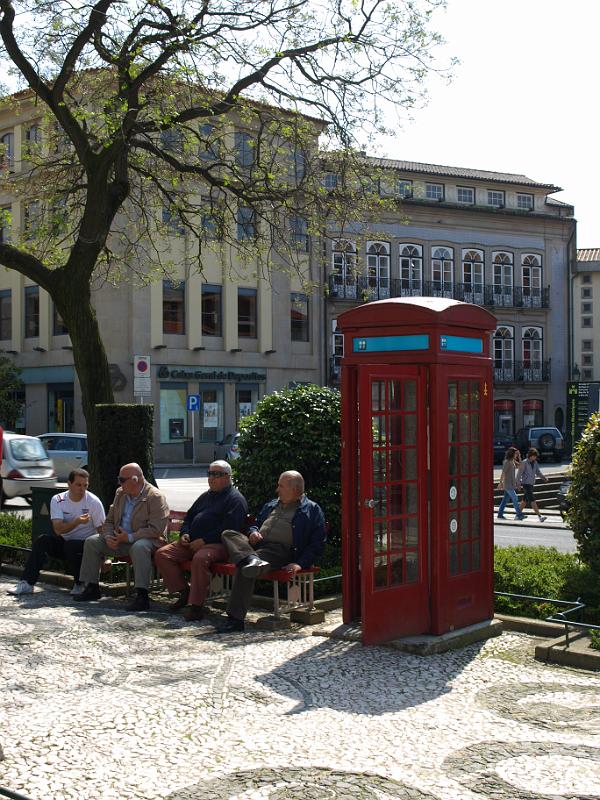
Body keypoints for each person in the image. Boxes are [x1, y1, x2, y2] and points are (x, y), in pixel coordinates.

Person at [214, 470, 326, 634]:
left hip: (279, 551)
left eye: (280, 486)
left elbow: (318, 543)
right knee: (228, 533)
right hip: (257, 547)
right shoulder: (272, 504)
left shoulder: (311, 510)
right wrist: (253, 532)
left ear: (294, 489)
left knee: (244, 568)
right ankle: (253, 559)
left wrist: (299, 563)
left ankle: (235, 620)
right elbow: (255, 524)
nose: (277, 489)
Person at [154, 460, 248, 621]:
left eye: (216, 474)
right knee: (162, 554)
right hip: (193, 542)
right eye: (209, 474)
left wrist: (204, 540)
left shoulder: (235, 499)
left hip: (219, 544)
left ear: (227, 477)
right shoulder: (206, 496)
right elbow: (190, 517)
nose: (211, 478)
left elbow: (230, 529)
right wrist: (185, 533)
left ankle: (196, 607)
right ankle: (184, 593)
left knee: (200, 559)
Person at [75, 462, 169, 611]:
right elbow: (109, 521)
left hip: (147, 541)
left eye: (122, 479)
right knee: (92, 542)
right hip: (120, 539)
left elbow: (156, 529)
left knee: (140, 547)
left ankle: (142, 596)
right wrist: (108, 537)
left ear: (135, 480)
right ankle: (91, 588)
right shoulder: (121, 493)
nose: (119, 483)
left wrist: (130, 537)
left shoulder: (155, 497)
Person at [8, 468, 105, 597]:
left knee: (71, 545)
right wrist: (76, 522)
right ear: (69, 484)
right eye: (78, 485)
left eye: (85, 485)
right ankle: (27, 583)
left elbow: (102, 532)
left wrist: (104, 558)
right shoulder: (58, 499)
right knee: (42, 541)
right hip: (64, 542)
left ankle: (80, 583)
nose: (82, 489)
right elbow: (58, 530)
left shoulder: (94, 502)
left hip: (85, 546)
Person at [517, 447, 548, 522]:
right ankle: (540, 516)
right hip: (525, 484)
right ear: (530, 455)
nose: (535, 457)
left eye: (536, 456)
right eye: (534, 456)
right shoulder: (524, 462)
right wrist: (518, 484)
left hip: (531, 483)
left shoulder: (535, 463)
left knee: (524, 500)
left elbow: (538, 472)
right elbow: (519, 474)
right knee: (532, 499)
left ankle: (518, 515)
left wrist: (544, 478)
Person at [497, 447, 526, 521]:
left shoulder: (512, 461)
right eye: (516, 454)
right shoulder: (507, 462)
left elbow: (521, 466)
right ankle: (519, 515)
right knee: (515, 498)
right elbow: (503, 473)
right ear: (512, 453)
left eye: (517, 454)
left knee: (505, 500)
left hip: (511, 484)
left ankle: (500, 514)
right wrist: (500, 483)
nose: (516, 455)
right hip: (507, 484)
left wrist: (519, 457)